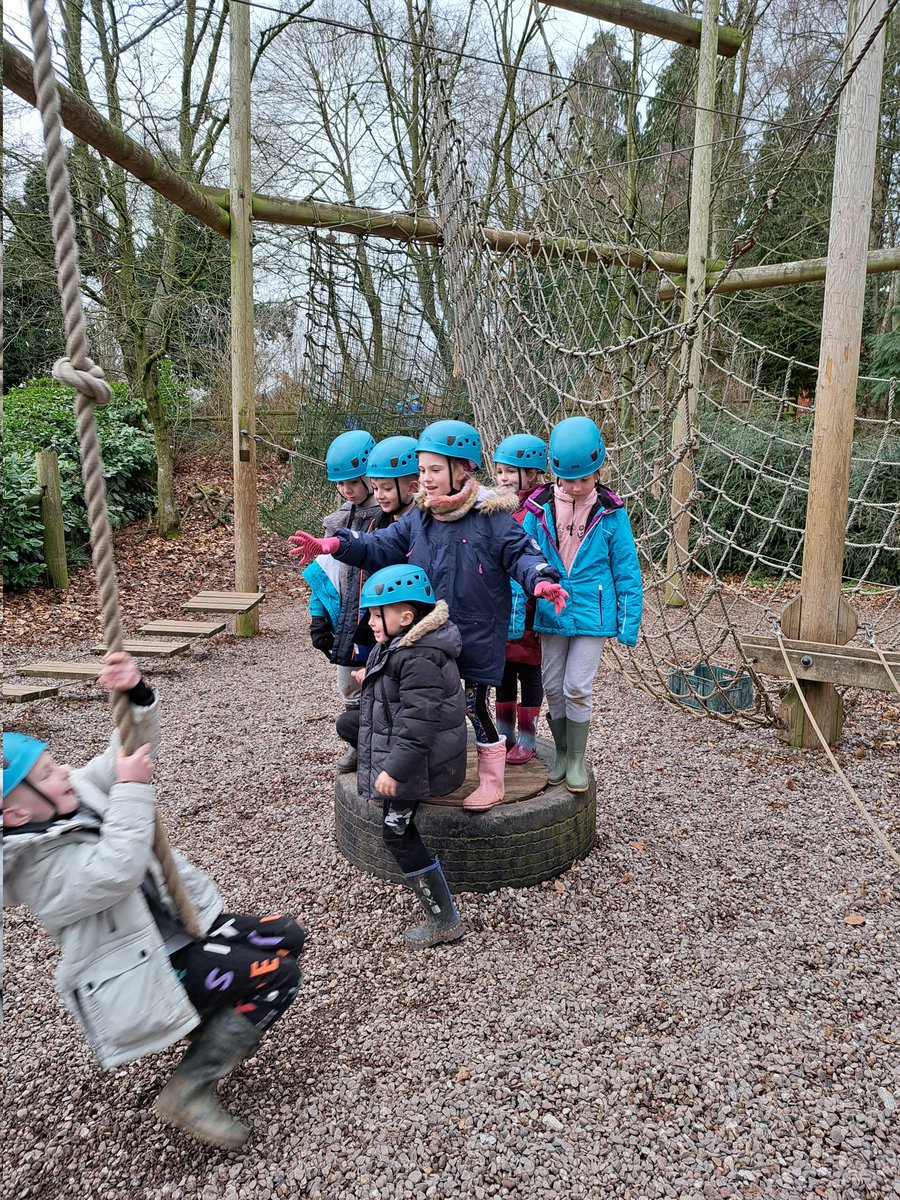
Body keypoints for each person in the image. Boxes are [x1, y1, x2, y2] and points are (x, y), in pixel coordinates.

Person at [2, 652, 305, 1150]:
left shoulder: (69, 796)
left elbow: (125, 755)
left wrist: (136, 694)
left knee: (285, 935)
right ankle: (190, 1088)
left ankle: (213, 1021)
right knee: (277, 977)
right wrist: (132, 790)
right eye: (50, 772)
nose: (64, 773)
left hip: (175, 931)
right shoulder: (35, 870)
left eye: (55, 763)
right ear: (15, 814)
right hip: (148, 966)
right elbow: (115, 870)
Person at [289, 419, 568, 811]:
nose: (426, 478)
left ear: (462, 469)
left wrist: (541, 582)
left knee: (473, 702)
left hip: (475, 633)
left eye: (434, 470)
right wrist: (335, 543)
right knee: (425, 702)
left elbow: (523, 553)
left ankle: (493, 778)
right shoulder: (419, 517)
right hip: (429, 634)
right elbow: (379, 545)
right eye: (422, 470)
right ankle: (424, 768)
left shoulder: (491, 517)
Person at [343, 564, 467, 948]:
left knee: (395, 832)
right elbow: (395, 681)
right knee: (347, 723)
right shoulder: (402, 643)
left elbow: (418, 724)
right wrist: (371, 675)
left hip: (421, 762)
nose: (369, 621)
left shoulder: (421, 657)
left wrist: (393, 770)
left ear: (406, 616)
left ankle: (443, 919)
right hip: (410, 745)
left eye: (376, 614)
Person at [523, 415, 643, 792]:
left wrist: (628, 622)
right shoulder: (538, 508)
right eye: (569, 479)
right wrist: (516, 613)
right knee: (553, 685)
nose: (576, 487)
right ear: (555, 473)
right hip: (552, 609)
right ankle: (561, 752)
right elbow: (520, 558)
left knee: (577, 685)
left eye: (585, 479)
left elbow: (626, 567)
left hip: (594, 611)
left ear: (598, 471)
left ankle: (576, 758)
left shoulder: (610, 511)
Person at [333, 435, 422, 760]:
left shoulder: (411, 521)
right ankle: (367, 746)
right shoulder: (355, 520)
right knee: (355, 688)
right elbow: (333, 575)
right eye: (377, 487)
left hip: (405, 623)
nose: (347, 489)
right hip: (366, 618)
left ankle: (396, 755)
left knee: (401, 690)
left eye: (353, 482)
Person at [302, 428, 381, 772]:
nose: (346, 490)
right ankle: (357, 744)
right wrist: (318, 617)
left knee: (381, 683)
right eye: (340, 483)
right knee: (348, 684)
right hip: (348, 615)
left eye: (352, 481)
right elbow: (323, 572)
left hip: (381, 614)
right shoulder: (336, 521)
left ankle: (383, 746)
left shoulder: (393, 515)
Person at [492, 433, 548, 765]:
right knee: (501, 670)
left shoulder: (540, 509)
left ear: (530, 472)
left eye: (510, 472)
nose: (503, 479)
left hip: (528, 603)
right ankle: (504, 734)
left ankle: (528, 738)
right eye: (500, 472)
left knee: (528, 670)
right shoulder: (496, 506)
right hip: (501, 603)